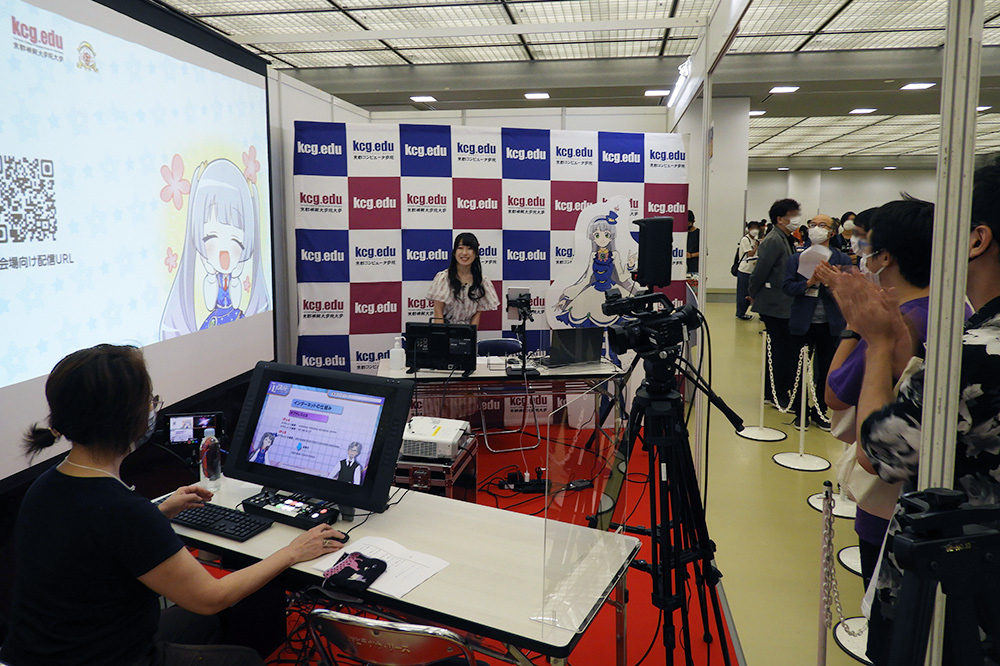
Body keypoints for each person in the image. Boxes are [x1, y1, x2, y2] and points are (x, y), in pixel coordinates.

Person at [0, 345, 347, 666]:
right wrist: (292, 551)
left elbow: (94, 538)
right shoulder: (124, 510)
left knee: (207, 623)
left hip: (40, 653)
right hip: (103, 658)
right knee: (242, 657)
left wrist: (160, 511)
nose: (152, 408)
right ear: (128, 417)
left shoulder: (47, 486)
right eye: (149, 400)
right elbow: (210, 596)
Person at [830, 159, 1000, 665]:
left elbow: (876, 451)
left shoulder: (971, 354)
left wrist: (878, 340)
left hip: (954, 586)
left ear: (975, 239)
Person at [823, 197, 970, 591]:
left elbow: (835, 393)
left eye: (865, 244)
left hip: (893, 507)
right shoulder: (955, 311)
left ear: (885, 256)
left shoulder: (900, 318)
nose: (860, 253)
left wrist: (858, 328)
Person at [782, 215, 853, 429]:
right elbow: (787, 287)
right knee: (798, 368)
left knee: (826, 369)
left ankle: (821, 411)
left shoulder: (842, 259)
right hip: (803, 322)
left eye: (822, 226)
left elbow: (849, 291)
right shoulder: (797, 258)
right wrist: (810, 282)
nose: (815, 229)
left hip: (831, 324)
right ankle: (800, 411)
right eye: (812, 225)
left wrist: (832, 282)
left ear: (832, 232)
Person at [749, 198, 801, 409]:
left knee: (786, 350)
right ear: (780, 219)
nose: (797, 219)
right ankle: (775, 391)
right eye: (793, 215)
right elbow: (760, 271)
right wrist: (752, 294)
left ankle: (780, 388)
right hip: (774, 305)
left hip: (785, 304)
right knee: (780, 350)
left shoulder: (786, 238)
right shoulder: (773, 240)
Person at [428, 232, 499, 327]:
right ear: (454, 252)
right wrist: (441, 337)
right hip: (445, 330)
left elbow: (477, 315)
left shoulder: (482, 281)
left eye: (469, 249)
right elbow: (438, 312)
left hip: (467, 332)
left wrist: (470, 337)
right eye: (460, 248)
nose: (464, 253)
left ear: (476, 253)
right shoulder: (443, 278)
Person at [735, 220, 762, 320]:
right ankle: (740, 313)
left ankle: (753, 312)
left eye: (756, 228)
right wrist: (756, 246)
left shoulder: (755, 240)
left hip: (753, 270)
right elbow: (750, 253)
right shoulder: (745, 240)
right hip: (744, 270)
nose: (755, 230)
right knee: (743, 292)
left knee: (753, 292)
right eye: (752, 228)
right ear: (748, 229)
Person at [686, 209, 700, 275]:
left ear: (693, 221)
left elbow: (704, 252)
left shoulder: (698, 233)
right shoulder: (682, 234)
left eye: (688, 223)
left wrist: (691, 255)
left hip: (694, 268)